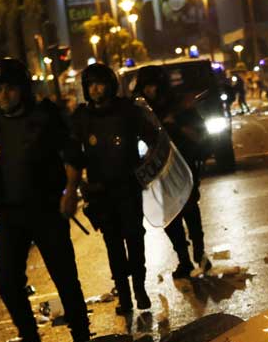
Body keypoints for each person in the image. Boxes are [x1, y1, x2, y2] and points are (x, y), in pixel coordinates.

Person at [0, 58, 90, 342]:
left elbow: (72, 156)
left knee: (64, 276)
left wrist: (70, 193)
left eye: (10, 88)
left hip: (47, 209)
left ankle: (81, 339)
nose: (4, 95)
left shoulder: (46, 117)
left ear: (22, 88)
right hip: (10, 215)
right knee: (8, 282)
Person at [72, 63, 157, 313]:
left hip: (128, 187)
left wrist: (145, 168)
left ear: (110, 85)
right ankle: (124, 295)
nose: (95, 89)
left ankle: (140, 288)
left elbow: (153, 138)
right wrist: (79, 185)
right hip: (100, 191)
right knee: (113, 244)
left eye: (99, 83)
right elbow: (72, 152)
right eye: (90, 85)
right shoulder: (82, 118)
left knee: (134, 237)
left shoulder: (128, 111)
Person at [134, 65, 209, 279]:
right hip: (158, 172)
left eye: (153, 85)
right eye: (146, 86)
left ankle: (200, 252)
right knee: (170, 218)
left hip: (182, 165)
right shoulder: (141, 112)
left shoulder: (178, 105)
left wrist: (174, 126)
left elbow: (198, 133)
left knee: (190, 210)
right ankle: (183, 259)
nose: (150, 91)